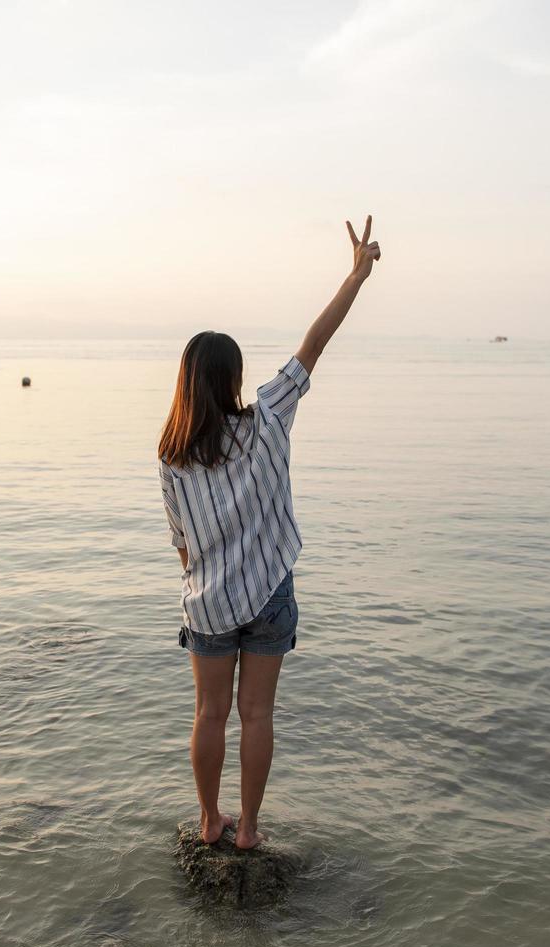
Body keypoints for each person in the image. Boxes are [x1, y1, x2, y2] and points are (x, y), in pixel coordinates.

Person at [157, 215, 382, 849]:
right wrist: (356, 276)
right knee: (257, 715)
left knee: (209, 714)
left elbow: (180, 545)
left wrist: (208, 579)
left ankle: (208, 823)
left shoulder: (171, 455)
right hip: (270, 595)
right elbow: (316, 342)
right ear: (232, 378)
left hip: (209, 602)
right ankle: (249, 831)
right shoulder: (266, 421)